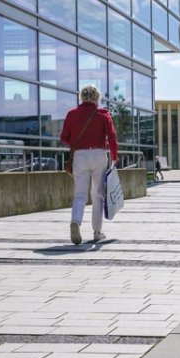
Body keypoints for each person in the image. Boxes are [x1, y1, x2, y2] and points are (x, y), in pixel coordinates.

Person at [60, 85, 118, 245]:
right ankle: (97, 231)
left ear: (81, 97)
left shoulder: (72, 114)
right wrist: (114, 157)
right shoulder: (102, 113)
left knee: (80, 194)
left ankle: (76, 221)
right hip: (99, 154)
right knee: (97, 194)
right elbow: (112, 137)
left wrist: (76, 142)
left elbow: (64, 136)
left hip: (80, 155)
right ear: (97, 97)